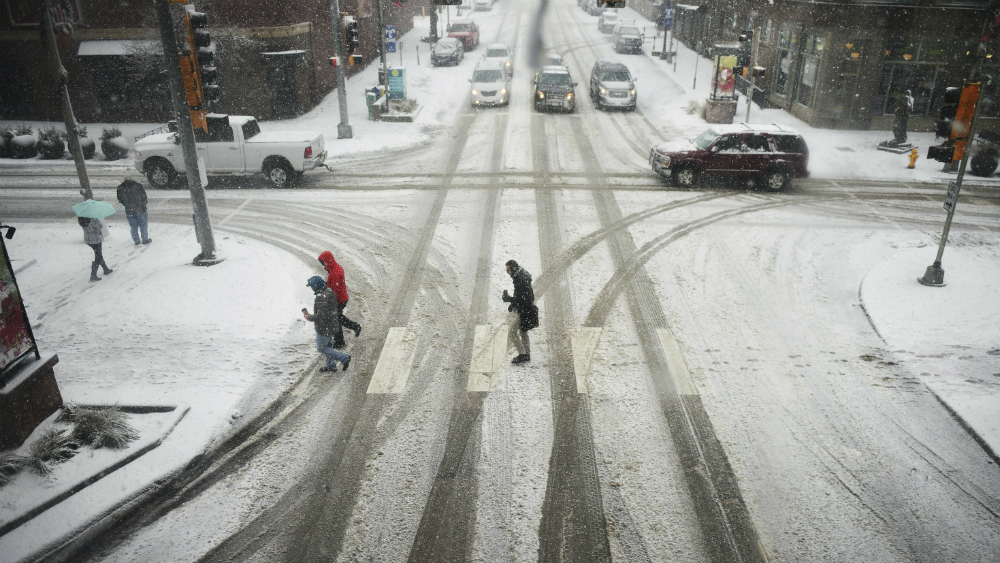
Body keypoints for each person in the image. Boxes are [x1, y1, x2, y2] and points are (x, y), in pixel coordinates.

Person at [303, 276, 351, 373]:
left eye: (312, 286)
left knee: (321, 348)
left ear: (316, 286)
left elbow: (322, 316)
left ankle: (344, 358)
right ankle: (331, 366)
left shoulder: (321, 297)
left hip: (324, 327)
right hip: (331, 324)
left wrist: (309, 317)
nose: (311, 288)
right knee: (328, 346)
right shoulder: (329, 291)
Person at [318, 251, 362, 348]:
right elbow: (333, 285)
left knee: (335, 319)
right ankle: (352, 329)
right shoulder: (335, 268)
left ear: (327, 261)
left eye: (323, 262)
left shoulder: (334, 272)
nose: (323, 265)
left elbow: (336, 290)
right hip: (341, 298)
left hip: (339, 300)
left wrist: (333, 302)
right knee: (337, 318)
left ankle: (340, 340)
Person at [501, 259, 538, 364]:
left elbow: (522, 299)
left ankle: (523, 354)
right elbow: (521, 297)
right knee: (523, 331)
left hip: (525, 311)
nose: (508, 273)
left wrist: (510, 299)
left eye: (508, 270)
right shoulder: (521, 277)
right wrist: (513, 303)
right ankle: (526, 354)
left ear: (513, 269)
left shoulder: (520, 280)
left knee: (512, 332)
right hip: (527, 310)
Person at [116, 174, 151, 246]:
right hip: (141, 209)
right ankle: (144, 239)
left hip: (129, 211)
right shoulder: (138, 186)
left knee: (133, 227)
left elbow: (120, 199)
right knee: (143, 225)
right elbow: (144, 196)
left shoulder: (120, 188)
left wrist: (127, 205)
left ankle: (136, 240)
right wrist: (143, 204)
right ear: (132, 179)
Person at [79, 216, 113, 282]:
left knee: (98, 254)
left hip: (88, 239)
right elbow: (100, 226)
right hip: (96, 239)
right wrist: (97, 219)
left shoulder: (81, 218)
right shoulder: (92, 219)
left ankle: (105, 269)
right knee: (98, 255)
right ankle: (93, 275)